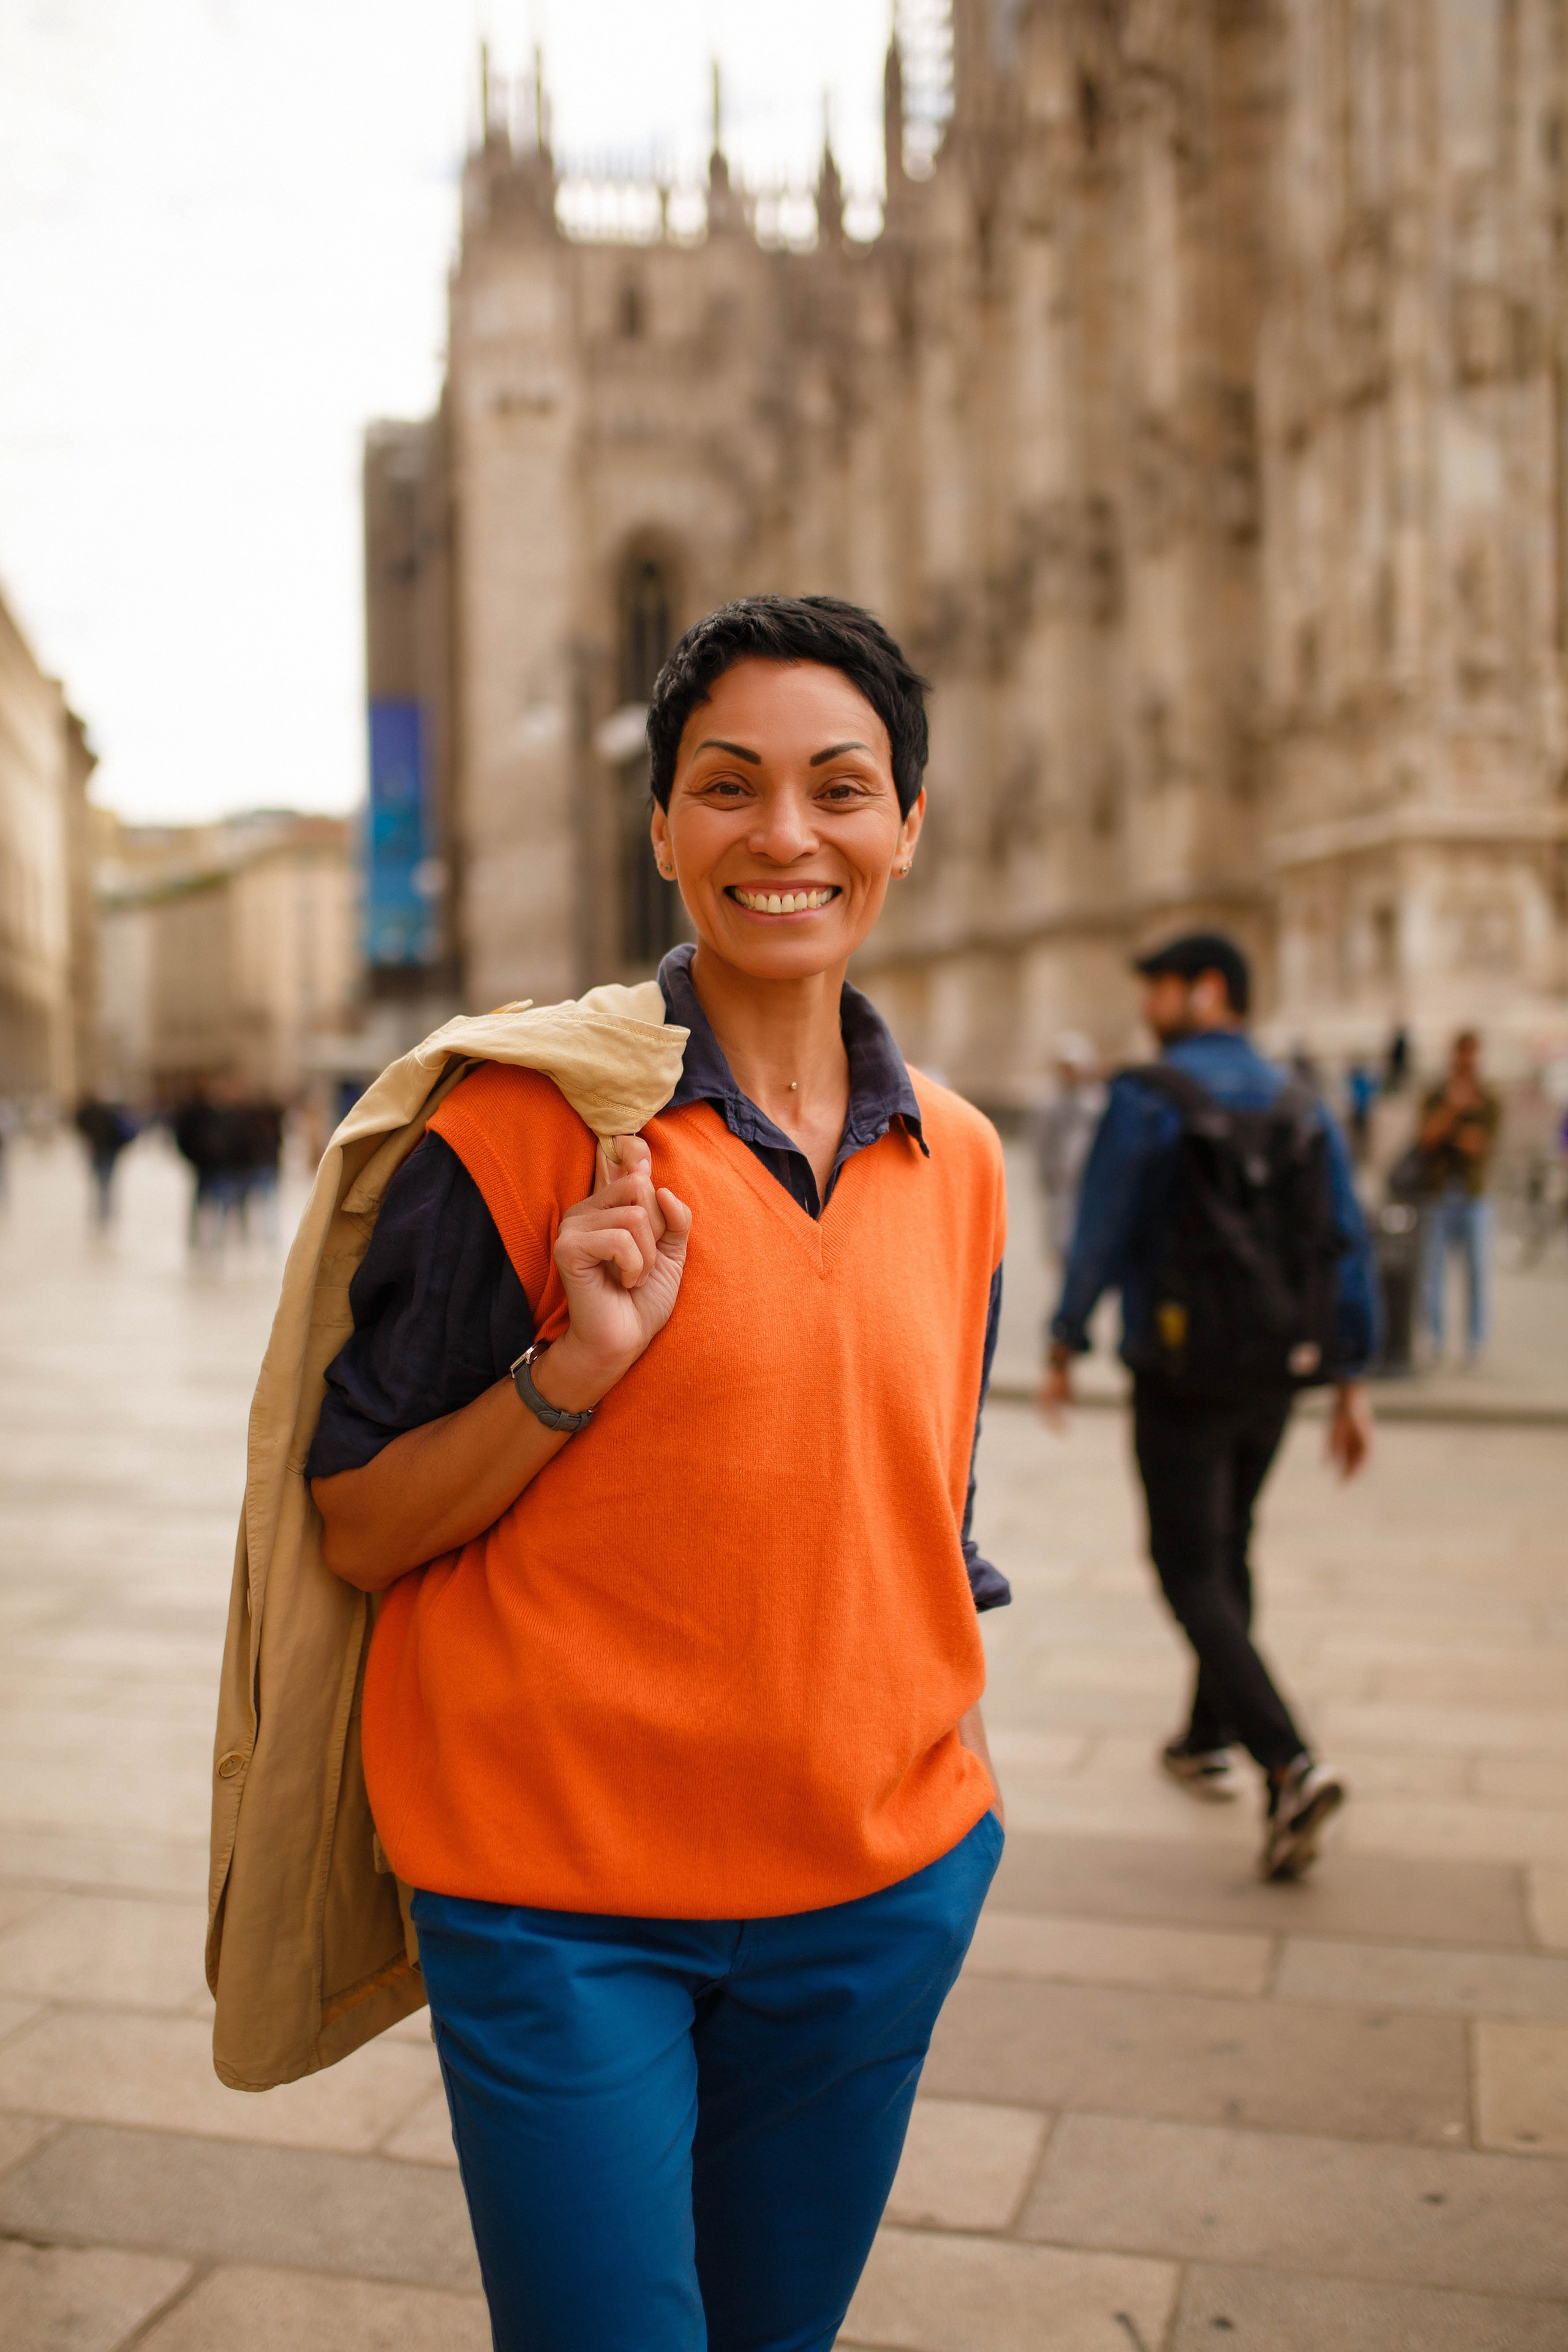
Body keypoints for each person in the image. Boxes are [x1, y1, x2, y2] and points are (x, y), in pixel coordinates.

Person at [307, 596, 1010, 2352]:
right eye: (729, 787)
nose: (786, 837)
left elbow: (931, 1509)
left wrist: (948, 1812)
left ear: (907, 827)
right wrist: (572, 1374)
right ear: (664, 828)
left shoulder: (969, 1159)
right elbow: (360, 1516)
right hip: (560, 1905)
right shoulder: (518, 1124)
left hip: (872, 1899)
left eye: (840, 789)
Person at [1042, 931, 1378, 1881]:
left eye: (1158, 986)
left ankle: (1289, 1761)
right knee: (1229, 1545)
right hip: (1279, 1366)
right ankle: (1202, 1739)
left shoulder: (1149, 1097)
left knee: (1186, 1565)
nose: (1148, 1004)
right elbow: (1343, 1240)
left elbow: (1102, 1222)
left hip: (1181, 1370)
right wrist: (1351, 1381)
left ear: (1206, 991)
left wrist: (1066, 1336)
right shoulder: (1302, 1099)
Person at [1417, 1030, 1501, 1363]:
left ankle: (1475, 1342)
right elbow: (1427, 1138)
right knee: (1433, 1272)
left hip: (1474, 1194)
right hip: (1439, 1193)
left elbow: (1484, 1144)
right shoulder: (1437, 1095)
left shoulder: (1490, 1097)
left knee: (1477, 1273)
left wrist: (1454, 1133)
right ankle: (1435, 1339)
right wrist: (1452, 1109)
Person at [1034, 1033, 1106, 1266]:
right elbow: (1043, 1146)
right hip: (1062, 1185)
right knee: (1061, 1242)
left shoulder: (1098, 1103)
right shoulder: (1049, 1105)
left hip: (1092, 1182)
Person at [73, 1095, 137, 1226]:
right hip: (109, 1152)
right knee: (106, 1183)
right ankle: (105, 1212)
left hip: (98, 1151)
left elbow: (79, 1124)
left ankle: (101, 1212)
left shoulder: (89, 1114)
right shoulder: (110, 1113)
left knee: (99, 1183)